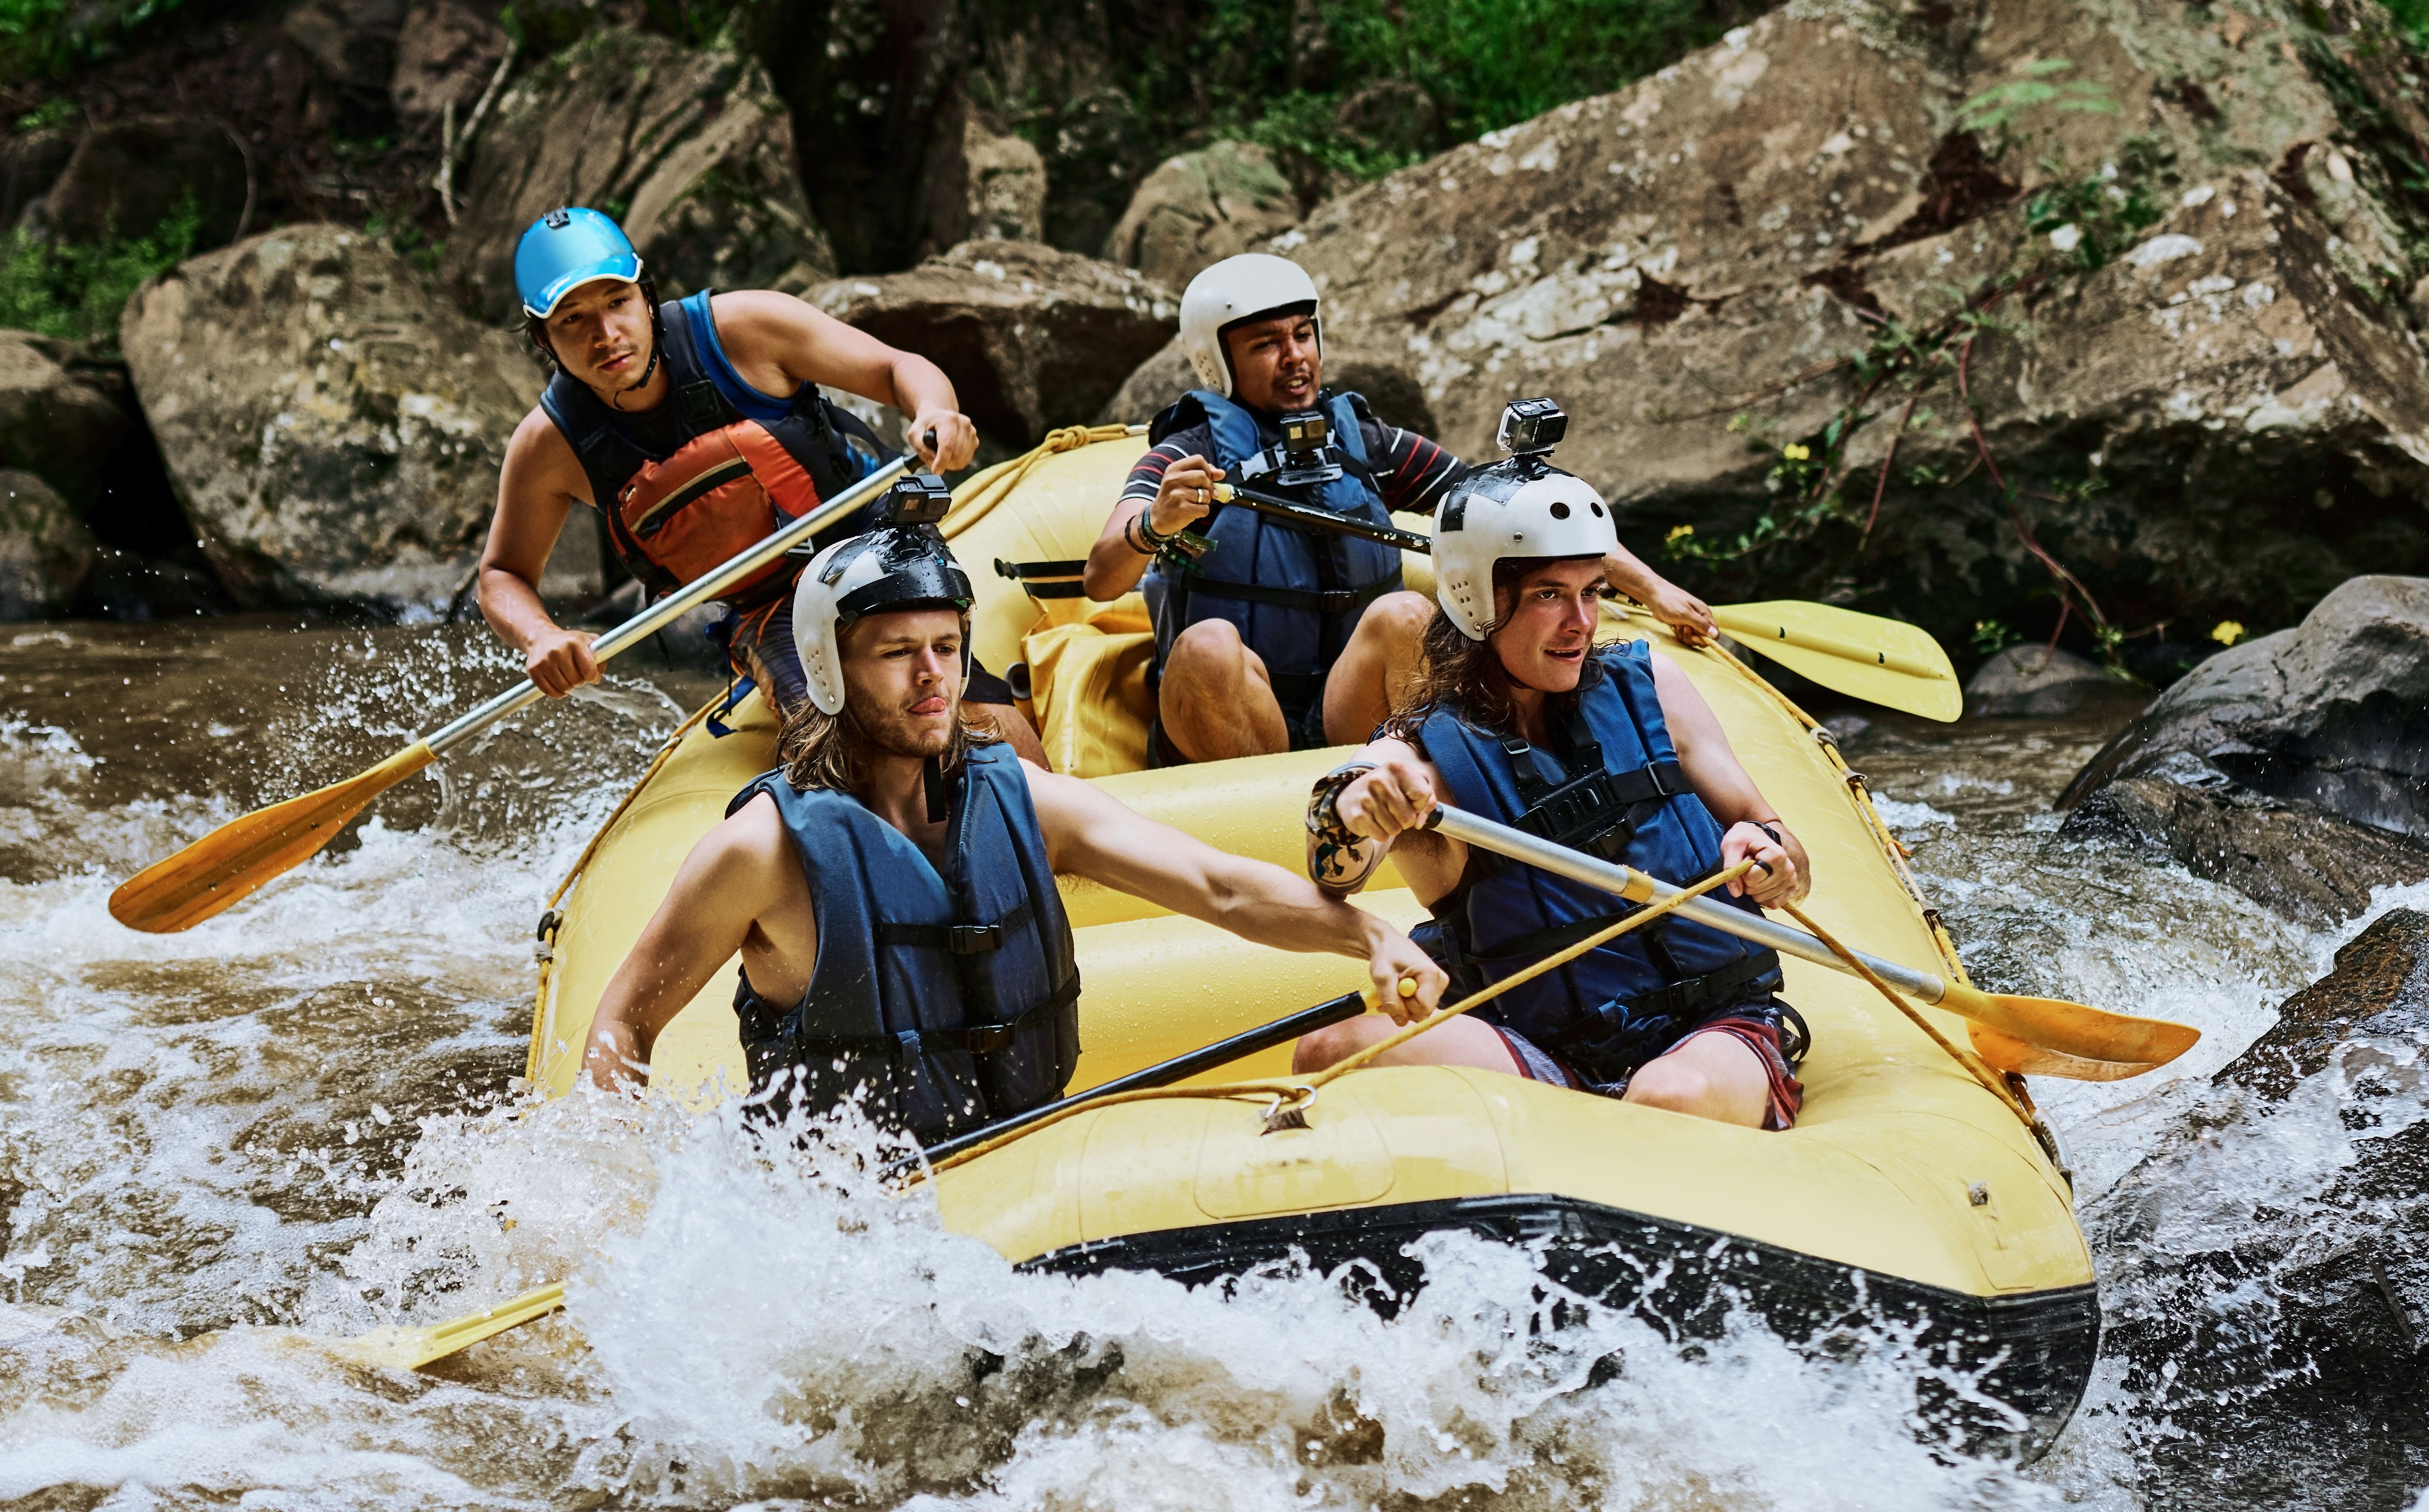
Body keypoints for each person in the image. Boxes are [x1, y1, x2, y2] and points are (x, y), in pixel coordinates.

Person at [582, 524, 1447, 1141]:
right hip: (846, 1220)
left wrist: (1367, 932)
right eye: (897, 652)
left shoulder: (1022, 797)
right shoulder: (763, 850)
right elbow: (624, 1020)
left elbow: (1220, 886)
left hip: (1023, 1160)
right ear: (829, 668)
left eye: (949, 647)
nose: (934, 678)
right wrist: (612, 1186)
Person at [1293, 427, 1816, 1130]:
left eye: (1592, 592)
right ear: (1478, 600)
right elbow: (1338, 851)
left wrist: (1771, 855)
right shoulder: (1420, 758)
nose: (1581, 623)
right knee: (1331, 1052)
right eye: (1549, 595)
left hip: (1715, 1026)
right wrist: (1358, 808)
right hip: (1542, 1053)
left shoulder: (1651, 683)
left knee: (1668, 1099)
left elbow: (1783, 844)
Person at [1083, 252, 1715, 764]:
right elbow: (1101, 579)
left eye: (1303, 335)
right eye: (1266, 344)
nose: (1295, 356)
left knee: (1406, 613)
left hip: (1346, 704)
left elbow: (1521, 515)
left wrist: (1654, 589)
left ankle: (1411, 782)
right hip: (1234, 712)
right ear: (1217, 362)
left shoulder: (1365, 443)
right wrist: (1153, 525)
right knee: (1207, 646)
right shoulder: (1188, 455)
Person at [475, 207, 1041, 761]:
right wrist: (540, 636)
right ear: (544, 339)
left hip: (873, 540)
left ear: (645, 297)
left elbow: (898, 369)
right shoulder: (549, 446)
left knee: (947, 700)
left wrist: (934, 412)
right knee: (842, 752)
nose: (605, 334)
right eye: (572, 319)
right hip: (766, 607)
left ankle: (1037, 806)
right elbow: (502, 574)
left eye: (617, 302)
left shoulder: (745, 329)